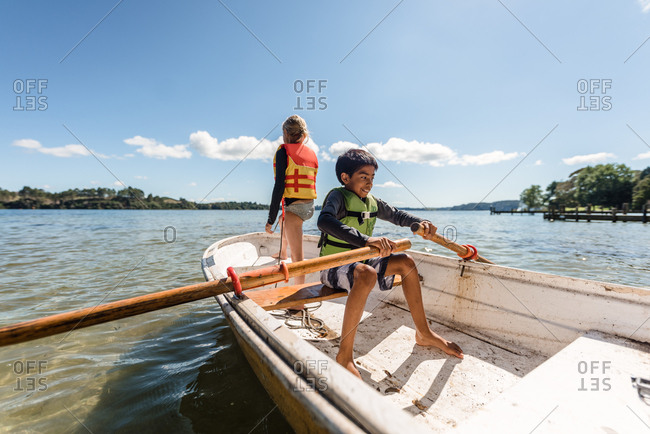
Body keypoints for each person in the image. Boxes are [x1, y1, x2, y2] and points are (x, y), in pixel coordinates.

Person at [318, 149, 463, 378]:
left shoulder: (373, 203)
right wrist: (367, 240)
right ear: (346, 178)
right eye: (363, 176)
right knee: (365, 273)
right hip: (332, 267)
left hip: (361, 263)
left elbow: (398, 216)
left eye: (372, 177)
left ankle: (424, 333)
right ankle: (344, 356)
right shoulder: (337, 197)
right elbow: (324, 220)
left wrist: (420, 222)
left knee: (405, 261)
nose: (369, 183)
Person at [265, 115, 318, 286]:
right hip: (310, 207)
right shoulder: (311, 154)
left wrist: (269, 219)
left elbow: (279, 186)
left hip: (295, 210)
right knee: (283, 220)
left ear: (286, 133)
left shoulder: (283, 152)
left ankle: (299, 300)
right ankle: (282, 252)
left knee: (298, 259)